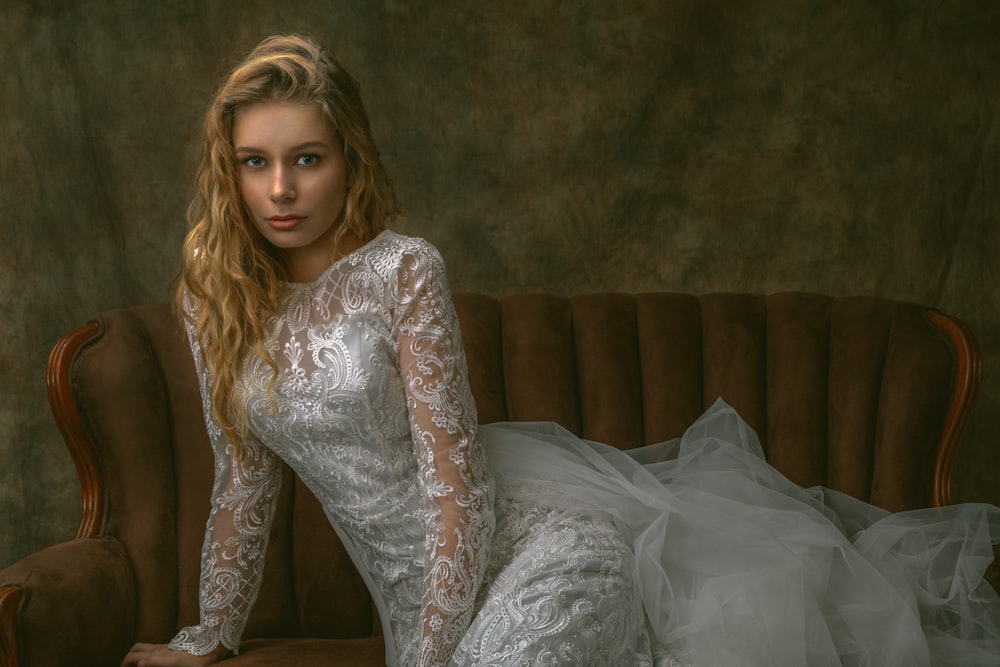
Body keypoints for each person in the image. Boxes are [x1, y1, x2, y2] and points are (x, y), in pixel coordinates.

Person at [123, 33, 1000, 667]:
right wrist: (209, 633)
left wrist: (434, 653)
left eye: (306, 158)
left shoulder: (402, 270)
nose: (279, 189)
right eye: (254, 161)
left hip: (540, 553)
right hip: (414, 605)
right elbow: (244, 482)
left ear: (347, 159)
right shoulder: (217, 299)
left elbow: (454, 480)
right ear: (227, 169)